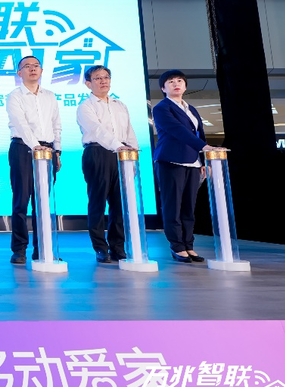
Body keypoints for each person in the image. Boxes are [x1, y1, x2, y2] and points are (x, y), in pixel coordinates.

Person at [152, 69, 221, 263]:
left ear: (185, 86)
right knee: (173, 206)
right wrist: (203, 147)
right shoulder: (161, 108)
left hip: (193, 161)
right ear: (163, 88)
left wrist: (203, 160)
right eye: (171, 81)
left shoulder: (191, 109)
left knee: (189, 207)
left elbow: (199, 134)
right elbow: (177, 130)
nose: (176, 84)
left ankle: (189, 245)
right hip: (171, 160)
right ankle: (177, 246)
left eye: (180, 81)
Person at [75, 65, 139, 263]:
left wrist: (132, 154)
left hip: (122, 155)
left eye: (106, 77)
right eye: (97, 78)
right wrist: (118, 146)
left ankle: (118, 247)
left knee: (119, 204)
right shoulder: (86, 106)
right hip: (97, 153)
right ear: (88, 83)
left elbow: (129, 131)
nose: (103, 81)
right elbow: (97, 130)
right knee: (98, 202)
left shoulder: (120, 105)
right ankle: (100, 248)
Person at [6, 55, 62, 265]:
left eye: (36, 66)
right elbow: (20, 124)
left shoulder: (50, 96)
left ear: (41, 70)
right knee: (21, 201)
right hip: (23, 148)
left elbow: (56, 124)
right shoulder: (15, 96)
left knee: (43, 203)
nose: (32, 69)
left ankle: (43, 249)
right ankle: (19, 249)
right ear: (19, 73)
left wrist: (57, 150)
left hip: (47, 151)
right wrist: (35, 145)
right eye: (27, 66)